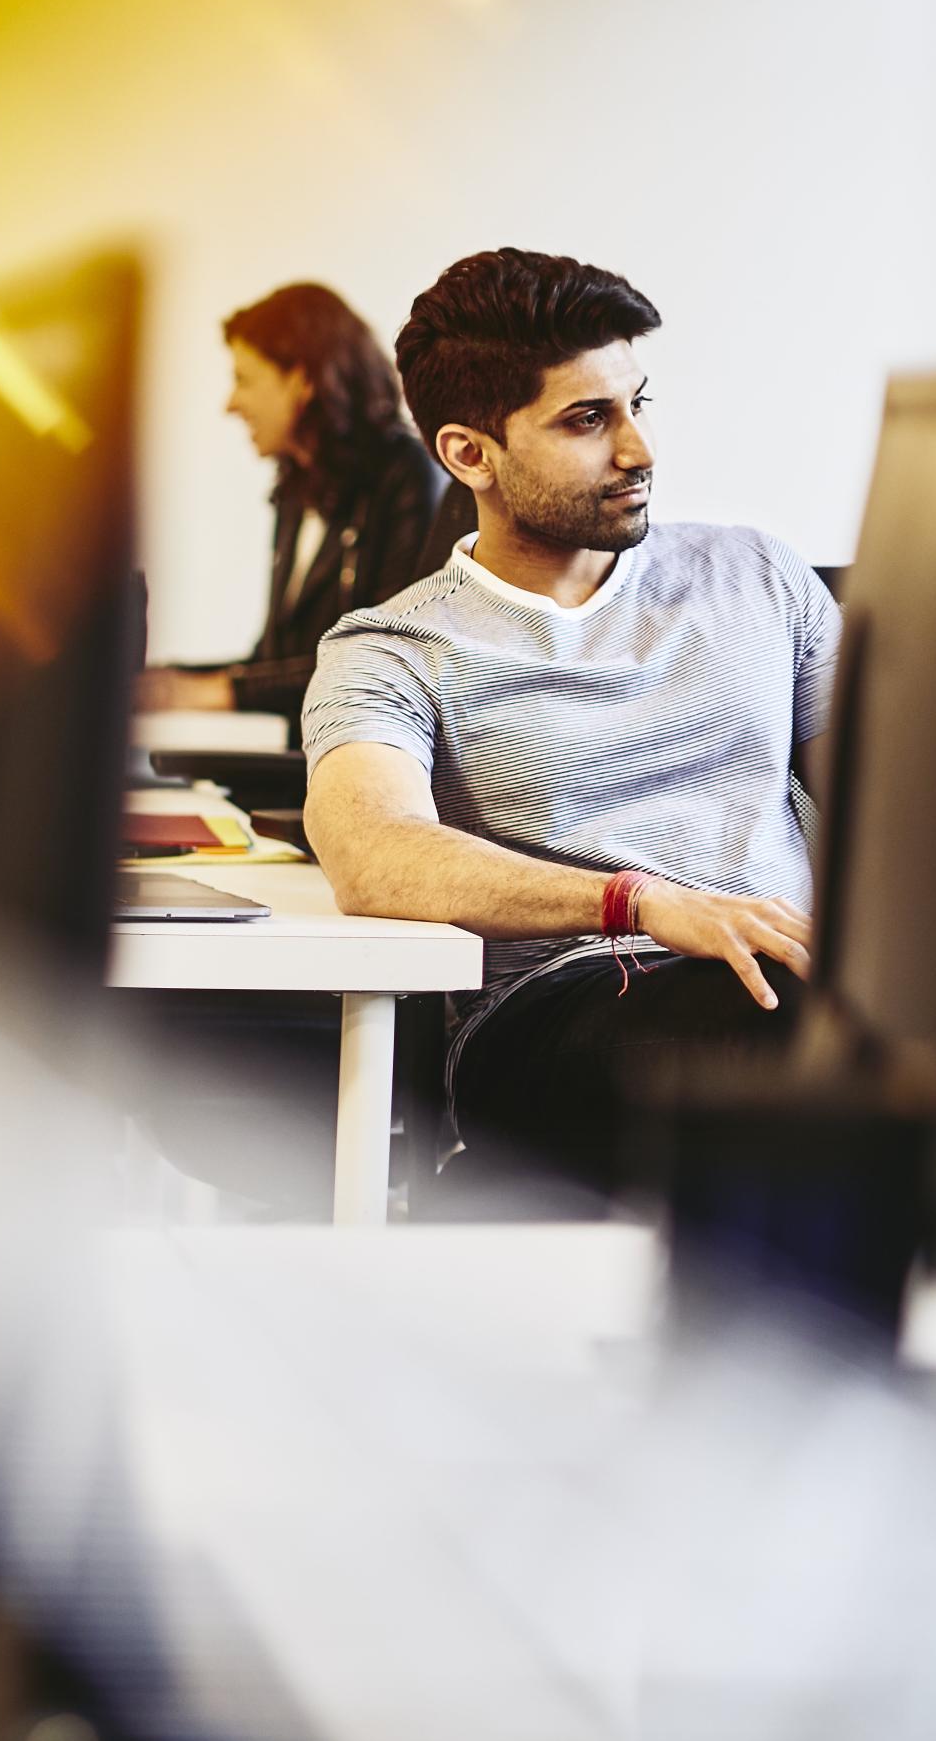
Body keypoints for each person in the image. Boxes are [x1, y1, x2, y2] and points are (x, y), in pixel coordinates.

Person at [300, 249, 836, 1188]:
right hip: (565, 1007)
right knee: (782, 1035)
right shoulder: (390, 650)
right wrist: (641, 902)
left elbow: (900, 803)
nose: (640, 449)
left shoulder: (760, 577)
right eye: (589, 420)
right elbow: (371, 850)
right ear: (470, 453)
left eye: (639, 402)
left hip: (796, 976)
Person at [140, 282, 461, 734]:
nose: (231, 404)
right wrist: (167, 682)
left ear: (302, 379)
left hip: (365, 768)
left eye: (245, 380)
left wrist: (209, 691)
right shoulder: (295, 492)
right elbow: (275, 662)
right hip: (302, 767)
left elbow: (387, 657)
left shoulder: (405, 475)